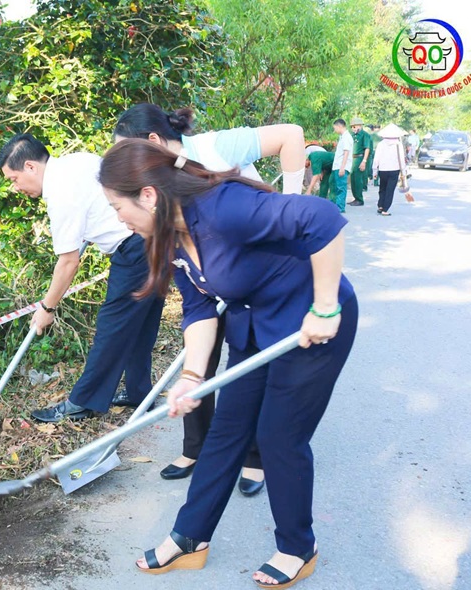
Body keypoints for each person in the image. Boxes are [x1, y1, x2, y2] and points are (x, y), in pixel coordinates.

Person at [98, 139, 357, 589]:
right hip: (254, 327)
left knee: (279, 436)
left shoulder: (224, 207)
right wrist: (193, 378)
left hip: (311, 322)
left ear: (148, 196)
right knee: (225, 432)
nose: (117, 218)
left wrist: (326, 304)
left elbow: (323, 220)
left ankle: (298, 547)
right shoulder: (168, 238)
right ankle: (190, 537)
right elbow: (199, 309)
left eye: (117, 206)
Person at [111, 103, 306, 496]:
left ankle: (255, 456)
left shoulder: (215, 148)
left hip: (251, 276)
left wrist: (290, 205)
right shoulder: (154, 196)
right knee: (197, 361)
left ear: (152, 143)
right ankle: (196, 449)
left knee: (249, 362)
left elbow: (291, 135)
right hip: (202, 276)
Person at [0, 134, 164, 422]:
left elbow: (68, 262)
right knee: (140, 324)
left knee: (111, 329)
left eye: (13, 179)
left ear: (30, 167)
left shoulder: (60, 194)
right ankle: (139, 393)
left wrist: (47, 309)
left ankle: (82, 403)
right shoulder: (79, 160)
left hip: (133, 248)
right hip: (154, 237)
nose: (15, 187)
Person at [372, 124, 408, 216]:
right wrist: (403, 172)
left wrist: (374, 170)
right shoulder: (398, 144)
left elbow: (376, 158)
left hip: (382, 170)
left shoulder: (381, 144)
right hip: (394, 170)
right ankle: (385, 209)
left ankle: (380, 205)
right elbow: (401, 159)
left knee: (382, 188)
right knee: (390, 190)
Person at [348, 117, 371, 207]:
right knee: (352, 179)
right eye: (352, 126)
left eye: (355, 126)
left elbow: (367, 148)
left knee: (358, 179)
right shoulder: (352, 135)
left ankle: (359, 199)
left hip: (359, 158)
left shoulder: (365, 135)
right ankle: (355, 198)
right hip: (352, 158)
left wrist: (364, 161)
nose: (353, 128)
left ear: (360, 126)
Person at [331, 119, 353, 213]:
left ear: (340, 126)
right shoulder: (342, 137)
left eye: (335, 128)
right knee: (338, 187)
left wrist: (342, 168)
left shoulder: (346, 137)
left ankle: (340, 208)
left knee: (341, 187)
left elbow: (346, 152)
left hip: (341, 167)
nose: (334, 130)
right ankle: (338, 206)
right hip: (338, 166)